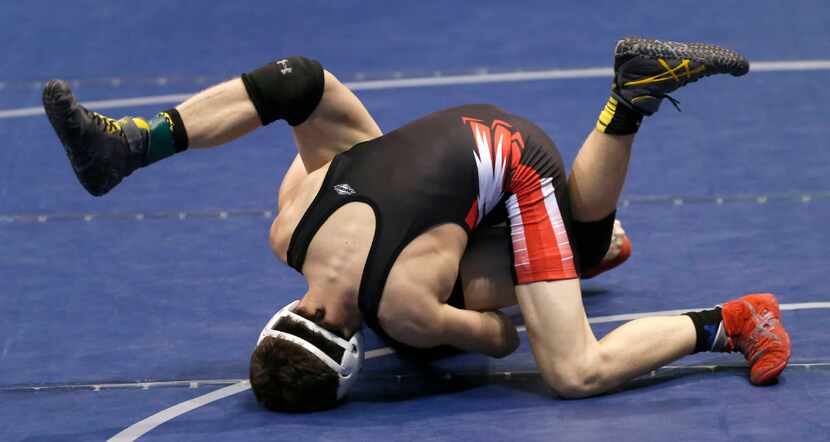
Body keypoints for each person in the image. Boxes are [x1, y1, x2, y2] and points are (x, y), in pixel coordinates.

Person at [43, 37, 790, 412]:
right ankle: (139, 142)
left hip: (515, 160)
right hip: (428, 146)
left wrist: (434, 324)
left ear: (350, 363)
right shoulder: (287, 229)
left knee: (572, 366)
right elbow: (341, 153)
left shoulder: (401, 309)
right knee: (298, 82)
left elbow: (499, 343)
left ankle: (731, 319)